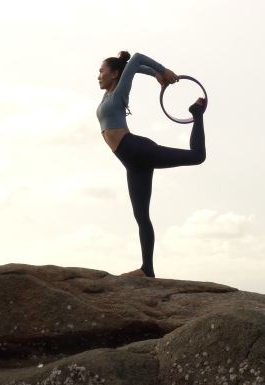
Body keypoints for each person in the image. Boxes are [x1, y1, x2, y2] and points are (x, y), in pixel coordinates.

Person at [97, 51, 206, 278]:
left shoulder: (118, 93)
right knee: (141, 215)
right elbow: (134, 67)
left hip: (138, 149)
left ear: (114, 74)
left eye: (101, 71)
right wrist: (156, 74)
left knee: (197, 156)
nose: (98, 76)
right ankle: (147, 269)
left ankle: (197, 113)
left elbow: (136, 59)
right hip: (132, 163)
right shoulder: (107, 94)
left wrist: (163, 70)